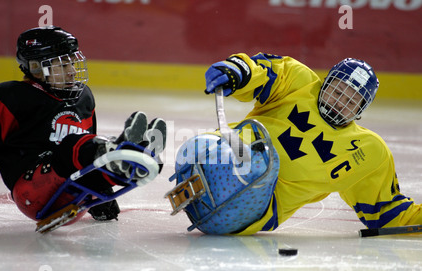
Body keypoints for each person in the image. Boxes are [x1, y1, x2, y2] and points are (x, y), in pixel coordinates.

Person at [167, 52, 421, 235]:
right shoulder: (298, 79)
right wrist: (237, 72)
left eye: (351, 101)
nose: (339, 102)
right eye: (337, 91)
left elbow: (389, 213)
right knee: (223, 147)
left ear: (361, 111)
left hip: (250, 211)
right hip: (212, 156)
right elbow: (261, 71)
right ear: (325, 82)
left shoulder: (369, 152)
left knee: (257, 165)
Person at [0, 26, 166, 227]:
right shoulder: (4, 99)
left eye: (73, 63)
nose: (73, 72)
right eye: (63, 66)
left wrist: (102, 197)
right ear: (36, 68)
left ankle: (135, 157)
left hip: (76, 193)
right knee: (73, 145)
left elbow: (87, 150)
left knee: (89, 147)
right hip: (32, 193)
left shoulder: (83, 97)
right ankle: (120, 153)